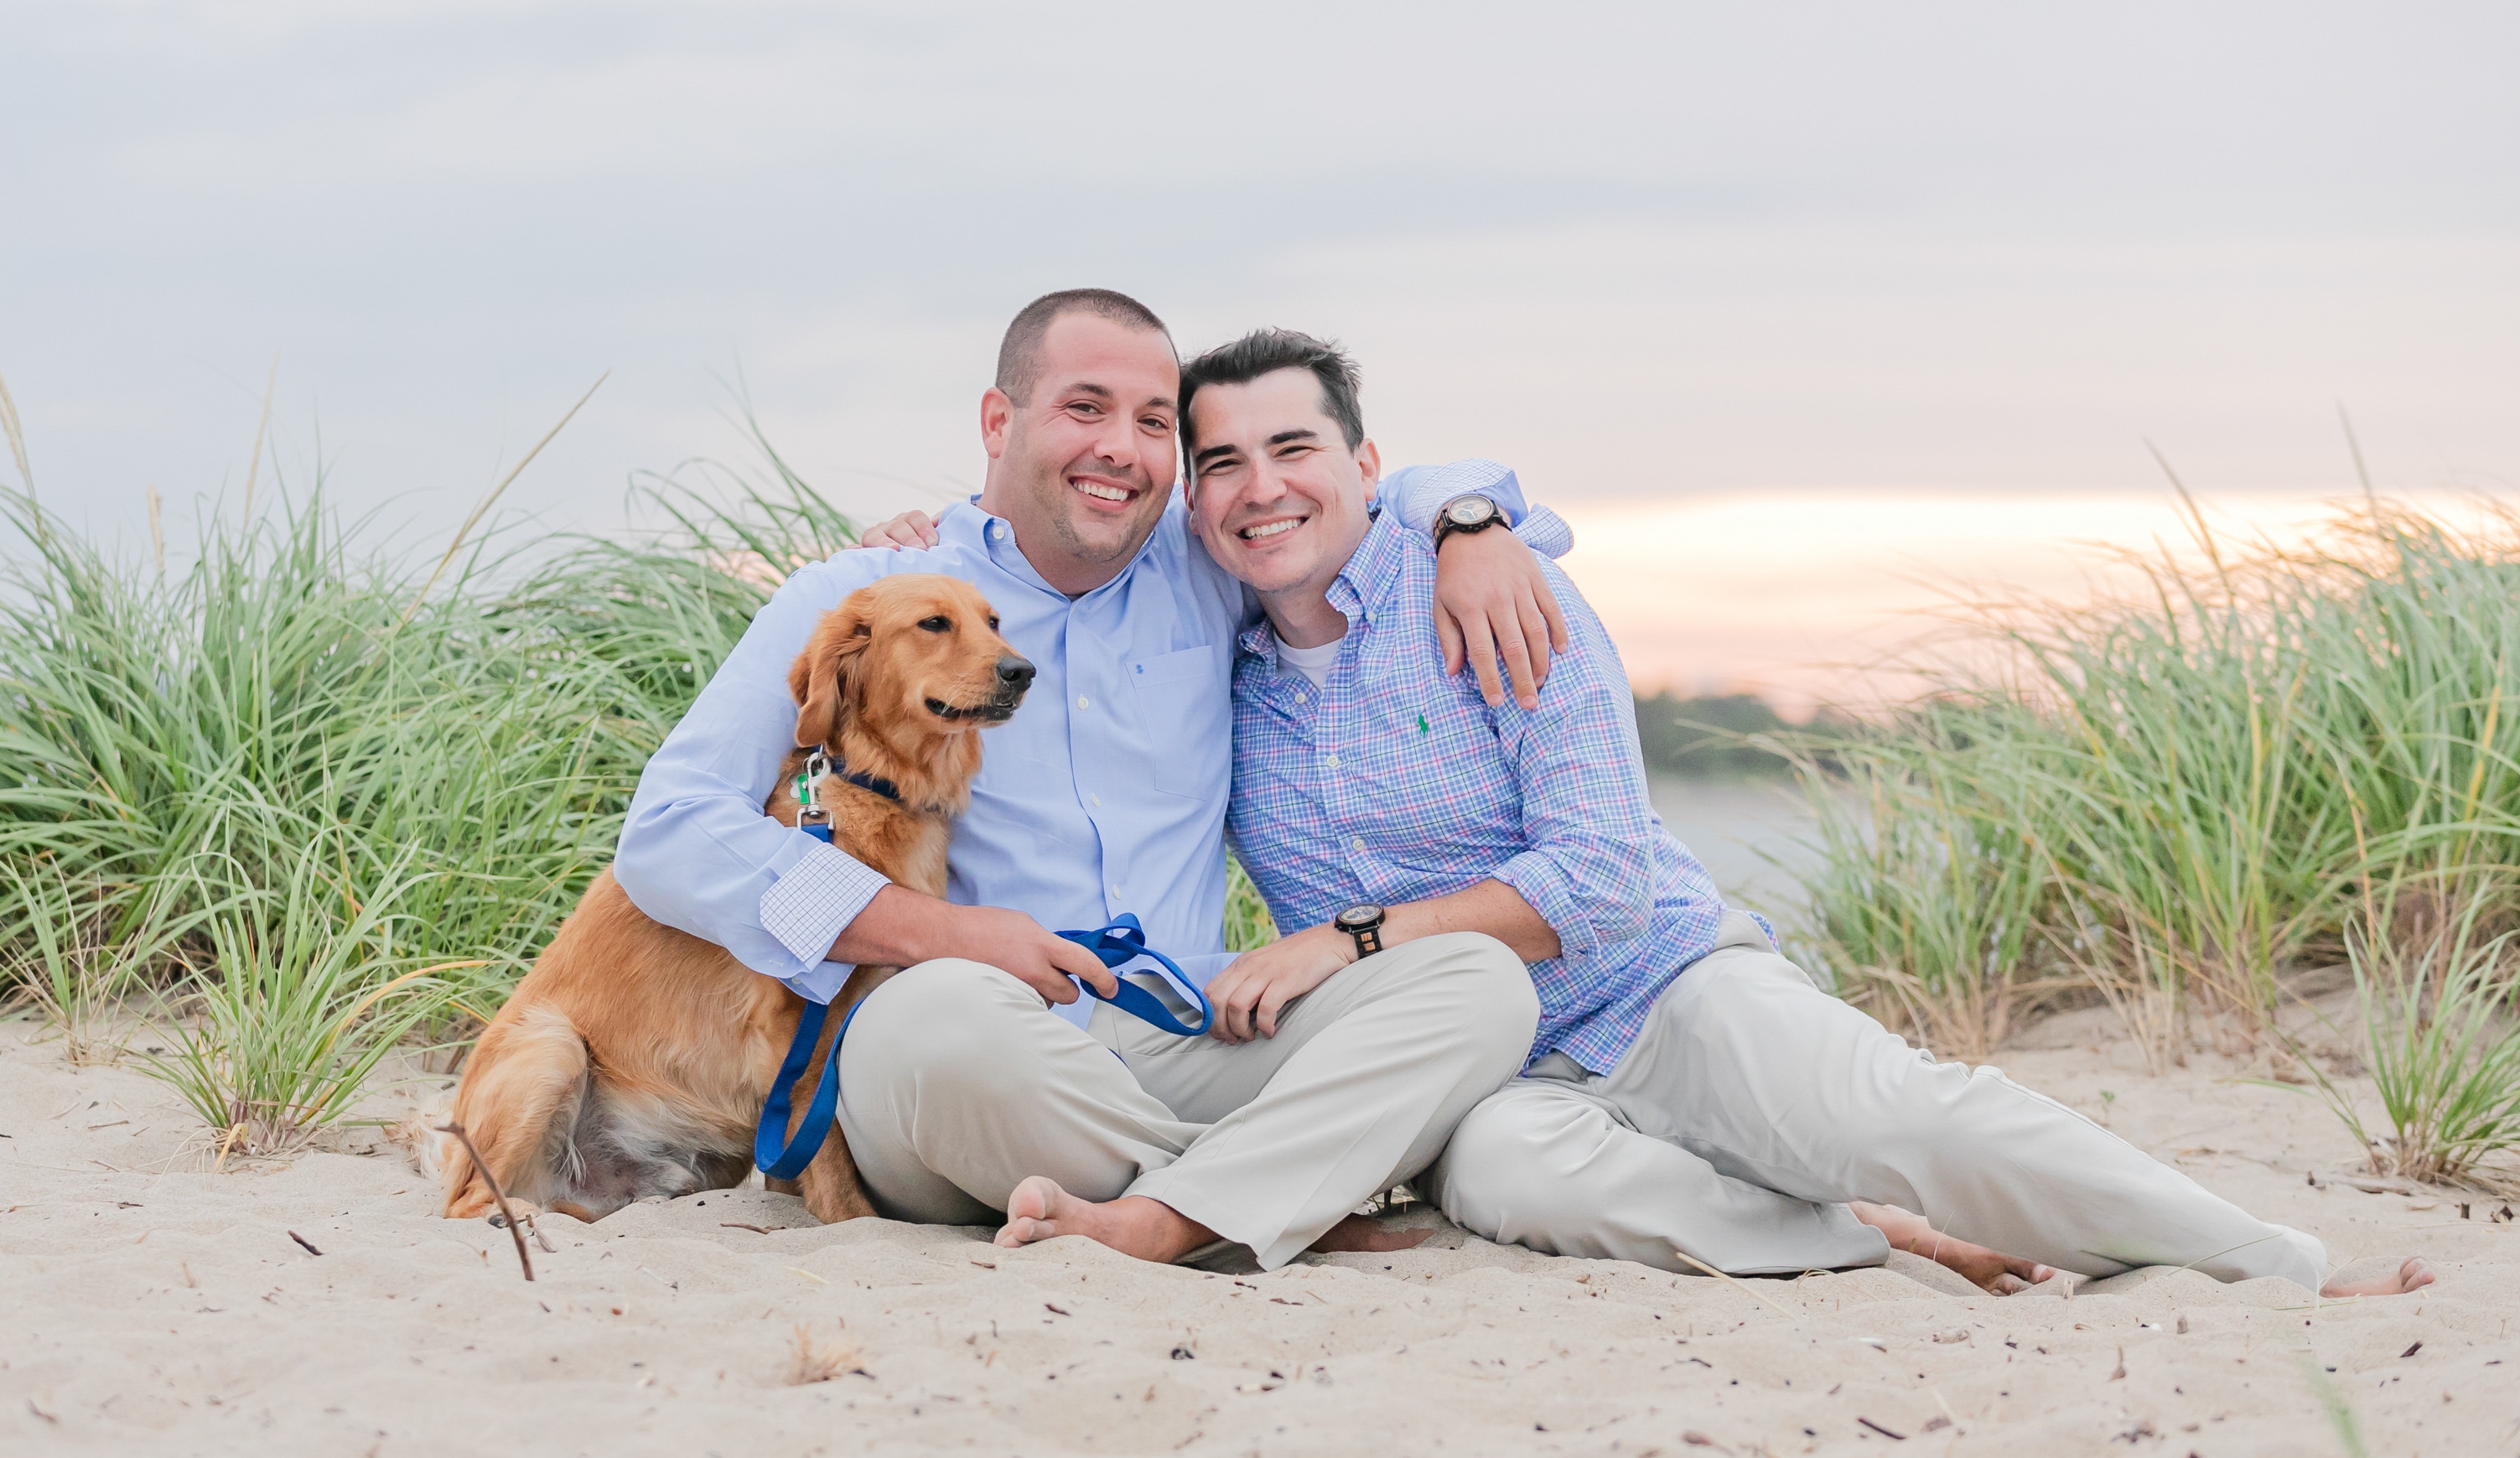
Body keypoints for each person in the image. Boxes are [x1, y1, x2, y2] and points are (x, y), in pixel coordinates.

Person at [1149, 324, 2427, 1300]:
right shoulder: (1223, 672)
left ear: (1364, 465)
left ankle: (2279, 1267)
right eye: (1224, 464)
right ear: (1196, 499)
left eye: (1292, 448)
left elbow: (1601, 878)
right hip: (1490, 1070)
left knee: (1899, 1115)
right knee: (1507, 1180)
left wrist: (1356, 939)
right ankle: (1865, 1241)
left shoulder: (1488, 591)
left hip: (1659, 986)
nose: (1260, 487)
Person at [615, 288, 1563, 1269]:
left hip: (1188, 1030)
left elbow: (1335, 486)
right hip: (976, 1060)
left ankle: (1172, 1211)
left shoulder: (1211, 570)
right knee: (928, 1019)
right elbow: (670, 830)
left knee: (1479, 980)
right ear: (998, 421)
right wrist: (946, 934)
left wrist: (1469, 521)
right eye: (1085, 407)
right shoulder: (868, 595)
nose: (1123, 446)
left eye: (1155, 422)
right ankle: (1264, 1191)